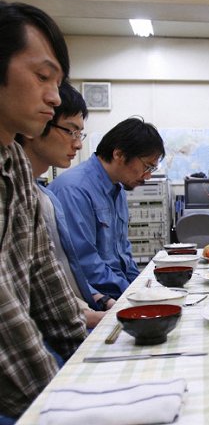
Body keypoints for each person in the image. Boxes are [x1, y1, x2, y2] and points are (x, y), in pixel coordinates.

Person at [0, 1, 87, 421]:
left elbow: (43, 272)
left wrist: (84, 360)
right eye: (41, 76)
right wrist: (55, 401)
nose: (54, 97)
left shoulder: (14, 162)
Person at [17, 82, 114, 328]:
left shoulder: (44, 197)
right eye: (70, 131)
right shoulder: (61, 191)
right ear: (36, 123)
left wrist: (99, 299)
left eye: (79, 134)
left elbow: (62, 273)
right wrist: (88, 316)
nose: (78, 144)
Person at [49, 117, 165, 299]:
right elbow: (85, 265)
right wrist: (132, 294)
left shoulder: (117, 189)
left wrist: (143, 287)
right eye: (147, 166)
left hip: (118, 293)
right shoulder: (74, 190)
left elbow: (123, 255)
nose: (148, 177)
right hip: (94, 302)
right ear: (119, 154)